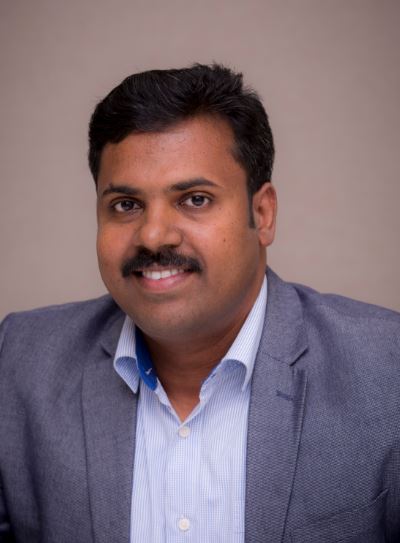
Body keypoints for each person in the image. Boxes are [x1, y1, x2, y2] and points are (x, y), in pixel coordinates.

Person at [0, 64, 399, 543]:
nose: (153, 236)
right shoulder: (19, 363)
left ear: (262, 214)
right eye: (126, 205)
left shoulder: (387, 369)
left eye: (194, 199)